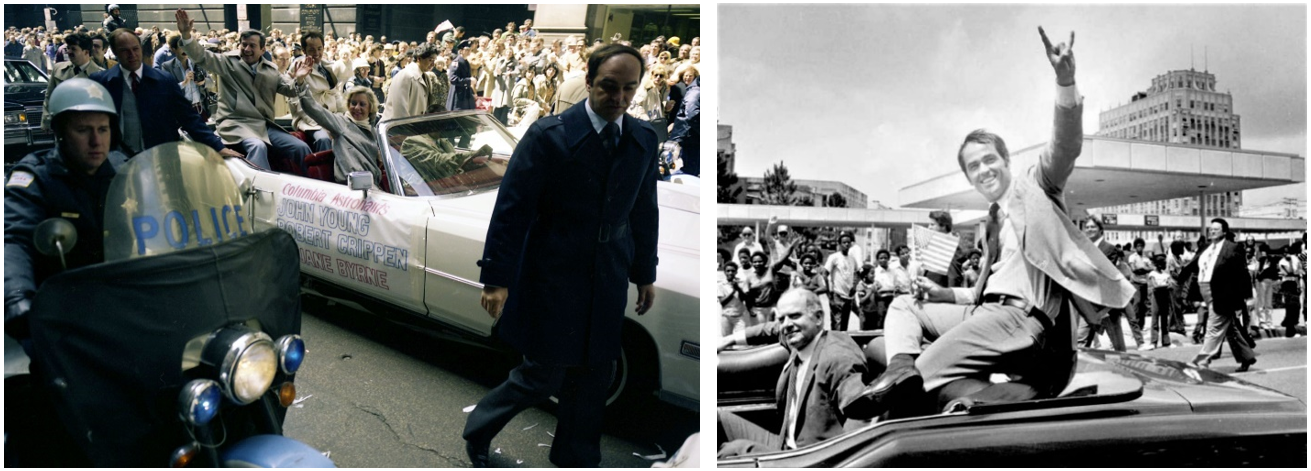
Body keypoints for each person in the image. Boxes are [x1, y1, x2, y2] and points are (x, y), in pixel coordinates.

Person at [862, 28, 1134, 416]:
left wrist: (1065, 81)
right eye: (974, 166)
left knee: (920, 378)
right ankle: (918, 374)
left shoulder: (1036, 188)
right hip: (984, 312)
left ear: (1006, 161)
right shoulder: (992, 220)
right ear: (969, 177)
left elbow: (1065, 145)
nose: (984, 169)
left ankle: (909, 382)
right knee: (904, 310)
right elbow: (978, 293)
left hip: (1020, 319)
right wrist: (940, 296)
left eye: (990, 159)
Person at [463, 44, 659, 468]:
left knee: (594, 375)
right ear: (588, 82)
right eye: (609, 87)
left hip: (607, 273)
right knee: (542, 374)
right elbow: (512, 210)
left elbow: (644, 210)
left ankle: (576, 458)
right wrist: (496, 279)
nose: (619, 99)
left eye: (629, 89)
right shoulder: (550, 136)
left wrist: (645, 272)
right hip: (553, 271)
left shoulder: (643, 138)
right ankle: (478, 428)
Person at [5, 78, 129, 346]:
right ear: (60, 132)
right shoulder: (35, 178)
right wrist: (16, 297)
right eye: (83, 130)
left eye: (103, 129)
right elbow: (14, 240)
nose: (96, 141)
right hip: (63, 312)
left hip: (123, 302)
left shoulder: (124, 171)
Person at [715, 289, 873, 457]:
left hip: (807, 457)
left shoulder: (839, 358)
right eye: (782, 319)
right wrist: (728, 339)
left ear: (819, 318)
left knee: (732, 451)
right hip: (784, 442)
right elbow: (771, 329)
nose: (786, 324)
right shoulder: (800, 338)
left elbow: (861, 417)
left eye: (795, 316)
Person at [176, 9, 308, 172]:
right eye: (243, 44)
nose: (246, 49)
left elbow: (290, 90)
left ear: (262, 49)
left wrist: (300, 79)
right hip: (234, 123)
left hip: (263, 125)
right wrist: (186, 36)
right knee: (257, 146)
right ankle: (261, 192)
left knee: (300, 148)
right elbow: (202, 56)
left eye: (252, 45)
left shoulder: (271, 69)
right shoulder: (227, 62)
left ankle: (311, 188)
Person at [89, 28, 228, 157]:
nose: (132, 55)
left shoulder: (164, 81)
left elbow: (188, 116)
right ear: (114, 51)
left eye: (135, 49)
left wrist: (218, 146)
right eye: (125, 50)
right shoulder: (101, 83)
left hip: (161, 160)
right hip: (118, 161)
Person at [290, 56, 383, 186]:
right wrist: (300, 82)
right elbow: (314, 109)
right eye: (353, 103)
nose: (357, 108)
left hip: (374, 186)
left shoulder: (372, 129)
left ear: (370, 108)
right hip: (353, 186)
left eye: (362, 104)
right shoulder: (341, 123)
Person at [1187, 218, 1258, 370]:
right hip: (1205, 289)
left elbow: (1242, 273)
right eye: (1211, 229)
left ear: (1224, 232)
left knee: (1213, 326)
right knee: (1230, 328)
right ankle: (1247, 357)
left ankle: (1201, 361)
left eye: (1216, 229)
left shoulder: (1233, 248)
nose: (1212, 231)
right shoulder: (1205, 248)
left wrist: (1248, 297)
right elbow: (1195, 270)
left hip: (1222, 292)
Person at [288, 31, 346, 154]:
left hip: (332, 116)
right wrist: (325, 125)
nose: (317, 53)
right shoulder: (297, 67)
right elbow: (297, 101)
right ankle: (322, 171)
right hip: (311, 121)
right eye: (312, 50)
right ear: (304, 50)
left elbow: (336, 95)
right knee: (324, 139)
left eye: (319, 49)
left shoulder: (328, 67)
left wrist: (342, 116)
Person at [42, 32, 103, 132]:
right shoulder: (58, 68)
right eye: (68, 48)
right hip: (62, 126)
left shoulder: (100, 74)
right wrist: (46, 120)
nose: (69, 52)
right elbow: (49, 96)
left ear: (86, 52)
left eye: (73, 49)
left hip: (87, 129)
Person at [382, 43, 437, 122]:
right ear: (419, 58)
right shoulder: (405, 76)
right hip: (397, 130)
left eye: (434, 60)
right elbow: (399, 112)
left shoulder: (426, 77)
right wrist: (406, 131)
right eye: (430, 60)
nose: (433, 64)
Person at [824, 231, 860, 331]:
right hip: (837, 296)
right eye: (844, 242)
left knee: (844, 326)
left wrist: (854, 286)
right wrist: (829, 293)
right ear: (839, 244)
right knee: (837, 325)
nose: (846, 244)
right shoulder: (834, 257)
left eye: (848, 242)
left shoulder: (852, 258)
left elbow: (857, 273)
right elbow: (824, 274)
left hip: (848, 297)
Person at [668, 74, 700, 176]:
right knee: (689, 171)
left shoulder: (696, 91)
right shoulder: (696, 92)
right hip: (688, 138)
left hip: (690, 136)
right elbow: (691, 115)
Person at [1146, 254, 1175, 349]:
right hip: (1156, 298)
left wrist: (1165, 285)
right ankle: (1153, 342)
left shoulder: (1165, 275)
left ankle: (1166, 341)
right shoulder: (1152, 274)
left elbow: (1170, 285)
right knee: (1155, 319)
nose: (1165, 265)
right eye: (1163, 263)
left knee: (1164, 320)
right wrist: (1165, 285)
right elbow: (1155, 285)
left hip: (1164, 297)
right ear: (1159, 264)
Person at [1279, 241, 1304, 338]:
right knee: (1289, 306)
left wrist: (1299, 285)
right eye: (1284, 252)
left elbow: (1298, 271)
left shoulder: (1295, 259)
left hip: (1294, 283)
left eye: (1288, 252)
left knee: (1296, 307)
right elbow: (1289, 272)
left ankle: (1292, 325)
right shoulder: (1282, 262)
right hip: (1287, 283)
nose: (1286, 254)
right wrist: (1289, 262)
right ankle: (1289, 330)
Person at [720, 261, 749, 335]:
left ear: (736, 272)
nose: (730, 273)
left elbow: (744, 298)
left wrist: (738, 288)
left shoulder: (742, 282)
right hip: (726, 316)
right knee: (726, 339)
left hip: (740, 316)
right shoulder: (721, 284)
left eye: (733, 271)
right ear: (724, 272)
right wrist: (733, 291)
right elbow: (722, 302)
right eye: (728, 271)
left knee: (741, 338)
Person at [447, 40, 477, 111]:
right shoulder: (457, 62)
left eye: (470, 50)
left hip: (465, 94)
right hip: (458, 94)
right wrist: (469, 81)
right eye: (466, 50)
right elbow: (453, 79)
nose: (469, 51)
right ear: (461, 51)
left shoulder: (466, 61)